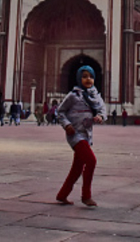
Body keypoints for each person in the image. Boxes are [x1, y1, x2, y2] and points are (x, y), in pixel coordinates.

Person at [56, 65, 106, 207]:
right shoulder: (73, 95)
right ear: (79, 79)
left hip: (86, 134)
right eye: (84, 76)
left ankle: (62, 195)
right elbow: (60, 112)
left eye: (90, 76)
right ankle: (86, 196)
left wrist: (101, 117)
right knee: (91, 161)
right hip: (75, 134)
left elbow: (103, 111)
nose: (88, 79)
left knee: (77, 167)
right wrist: (66, 125)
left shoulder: (95, 96)